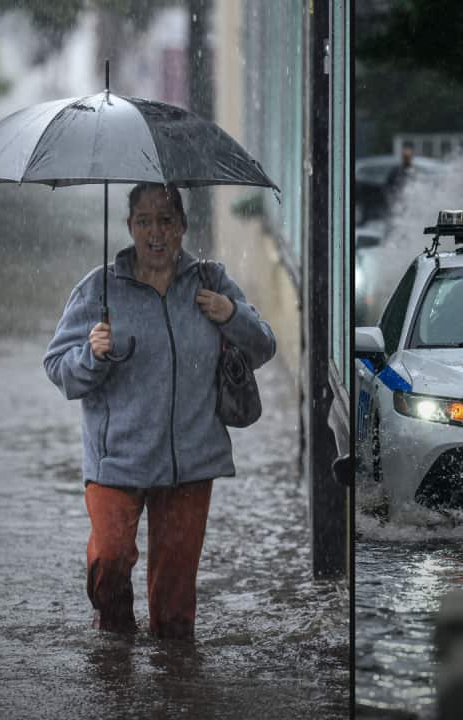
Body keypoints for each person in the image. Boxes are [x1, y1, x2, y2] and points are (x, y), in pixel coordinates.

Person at [44, 183, 277, 640]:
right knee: (111, 559)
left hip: (189, 462)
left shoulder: (210, 281)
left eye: (166, 220)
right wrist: (92, 355)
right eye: (144, 221)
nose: (156, 233)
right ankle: (114, 650)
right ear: (129, 226)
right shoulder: (99, 290)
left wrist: (231, 313)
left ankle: (175, 689)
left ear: (183, 227)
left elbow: (264, 345)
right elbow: (59, 368)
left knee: (174, 615)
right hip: (117, 461)